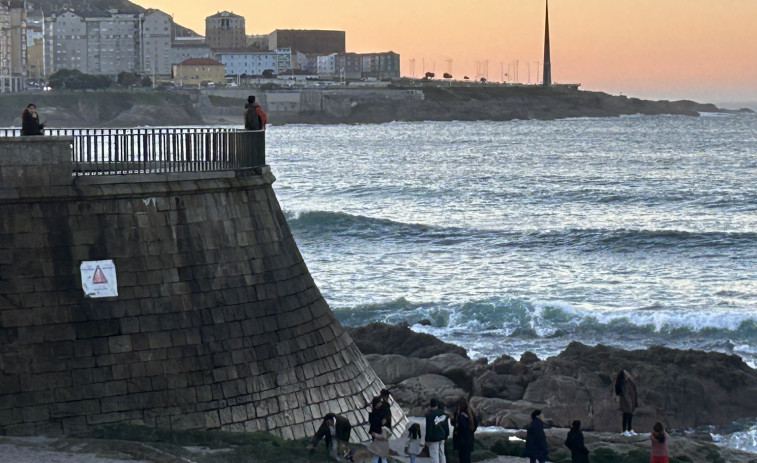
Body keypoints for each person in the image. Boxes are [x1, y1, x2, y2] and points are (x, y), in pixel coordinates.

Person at [451, 397, 477, 463]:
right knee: (467, 457)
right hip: (469, 439)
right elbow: (475, 425)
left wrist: (453, 420)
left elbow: (458, 426)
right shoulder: (471, 415)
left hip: (461, 440)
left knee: (462, 458)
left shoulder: (461, 416)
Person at [615, 369, 638, 436]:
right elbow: (625, 394)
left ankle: (630, 429)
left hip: (631, 401)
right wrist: (629, 402)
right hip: (626, 402)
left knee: (630, 415)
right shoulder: (623, 383)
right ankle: (624, 430)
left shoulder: (629, 381)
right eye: (626, 373)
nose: (628, 373)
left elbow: (633, 391)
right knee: (626, 415)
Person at [424, 398, 448, 463]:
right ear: (437, 404)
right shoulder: (443, 413)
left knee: (434, 454)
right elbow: (446, 426)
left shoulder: (429, 415)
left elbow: (428, 428)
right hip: (442, 436)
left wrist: (426, 439)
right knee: (442, 453)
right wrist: (446, 435)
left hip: (433, 437)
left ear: (430, 405)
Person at [367, 396, 387, 463]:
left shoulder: (381, 412)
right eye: (379, 403)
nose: (381, 404)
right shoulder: (373, 414)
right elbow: (373, 424)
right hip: (377, 435)